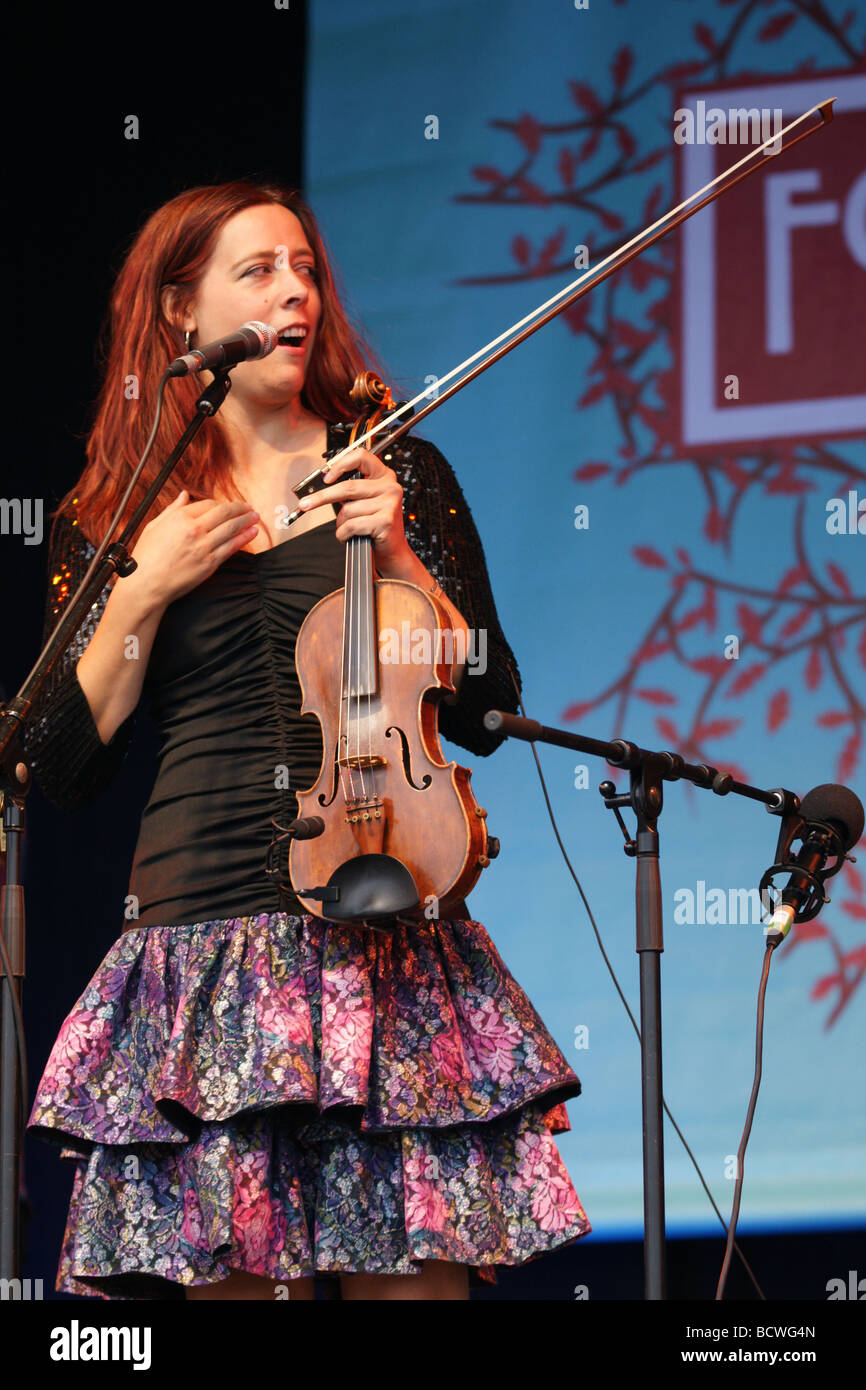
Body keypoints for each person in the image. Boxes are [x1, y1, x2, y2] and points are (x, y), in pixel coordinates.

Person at [23, 180, 591, 1301]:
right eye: (258, 271)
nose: (294, 290)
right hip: (201, 944)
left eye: (306, 270)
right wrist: (138, 595)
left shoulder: (393, 471)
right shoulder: (117, 516)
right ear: (183, 314)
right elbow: (57, 767)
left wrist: (406, 563)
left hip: (377, 923)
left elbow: (485, 705)